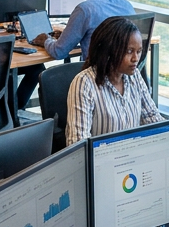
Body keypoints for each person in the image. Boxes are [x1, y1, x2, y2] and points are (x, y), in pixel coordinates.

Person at [65, 16, 160, 145]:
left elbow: (152, 118)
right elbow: (78, 144)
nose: (135, 58)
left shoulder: (134, 76)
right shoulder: (84, 84)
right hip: (102, 162)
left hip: (133, 157)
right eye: (129, 51)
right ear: (108, 51)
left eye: (139, 51)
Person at [31, 0, 134, 60]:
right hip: (123, 75)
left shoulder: (84, 10)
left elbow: (59, 52)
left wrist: (46, 40)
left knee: (40, 73)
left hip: (94, 76)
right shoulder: (127, 5)